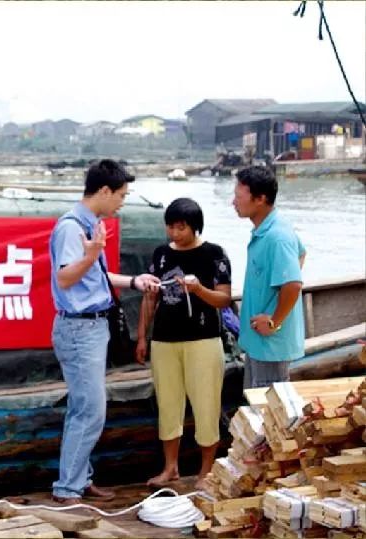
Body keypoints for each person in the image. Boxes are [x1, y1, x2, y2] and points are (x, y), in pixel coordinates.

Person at [48, 159, 160, 504]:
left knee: (83, 408)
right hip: (79, 329)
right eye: (121, 195)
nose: (122, 202)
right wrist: (91, 254)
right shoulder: (71, 228)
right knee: (90, 411)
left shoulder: (91, 224)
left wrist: (133, 281)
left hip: (92, 327)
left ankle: (79, 479)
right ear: (104, 191)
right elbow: (65, 277)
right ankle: (68, 488)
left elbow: (94, 274)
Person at [135, 198, 232, 491]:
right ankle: (170, 467)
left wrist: (198, 289)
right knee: (168, 404)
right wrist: (142, 337)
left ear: (194, 227)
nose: (174, 233)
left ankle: (206, 471)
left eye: (181, 228)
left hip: (203, 340)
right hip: (164, 341)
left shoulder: (214, 254)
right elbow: (150, 298)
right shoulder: (161, 254)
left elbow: (224, 299)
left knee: (206, 404)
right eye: (170, 227)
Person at [233, 166, 306, 389]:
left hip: (270, 346)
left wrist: (274, 321)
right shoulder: (268, 229)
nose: (233, 202)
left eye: (238, 197)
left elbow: (293, 284)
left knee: (267, 403)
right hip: (258, 341)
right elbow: (301, 253)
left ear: (260, 199)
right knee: (254, 400)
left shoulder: (277, 236)